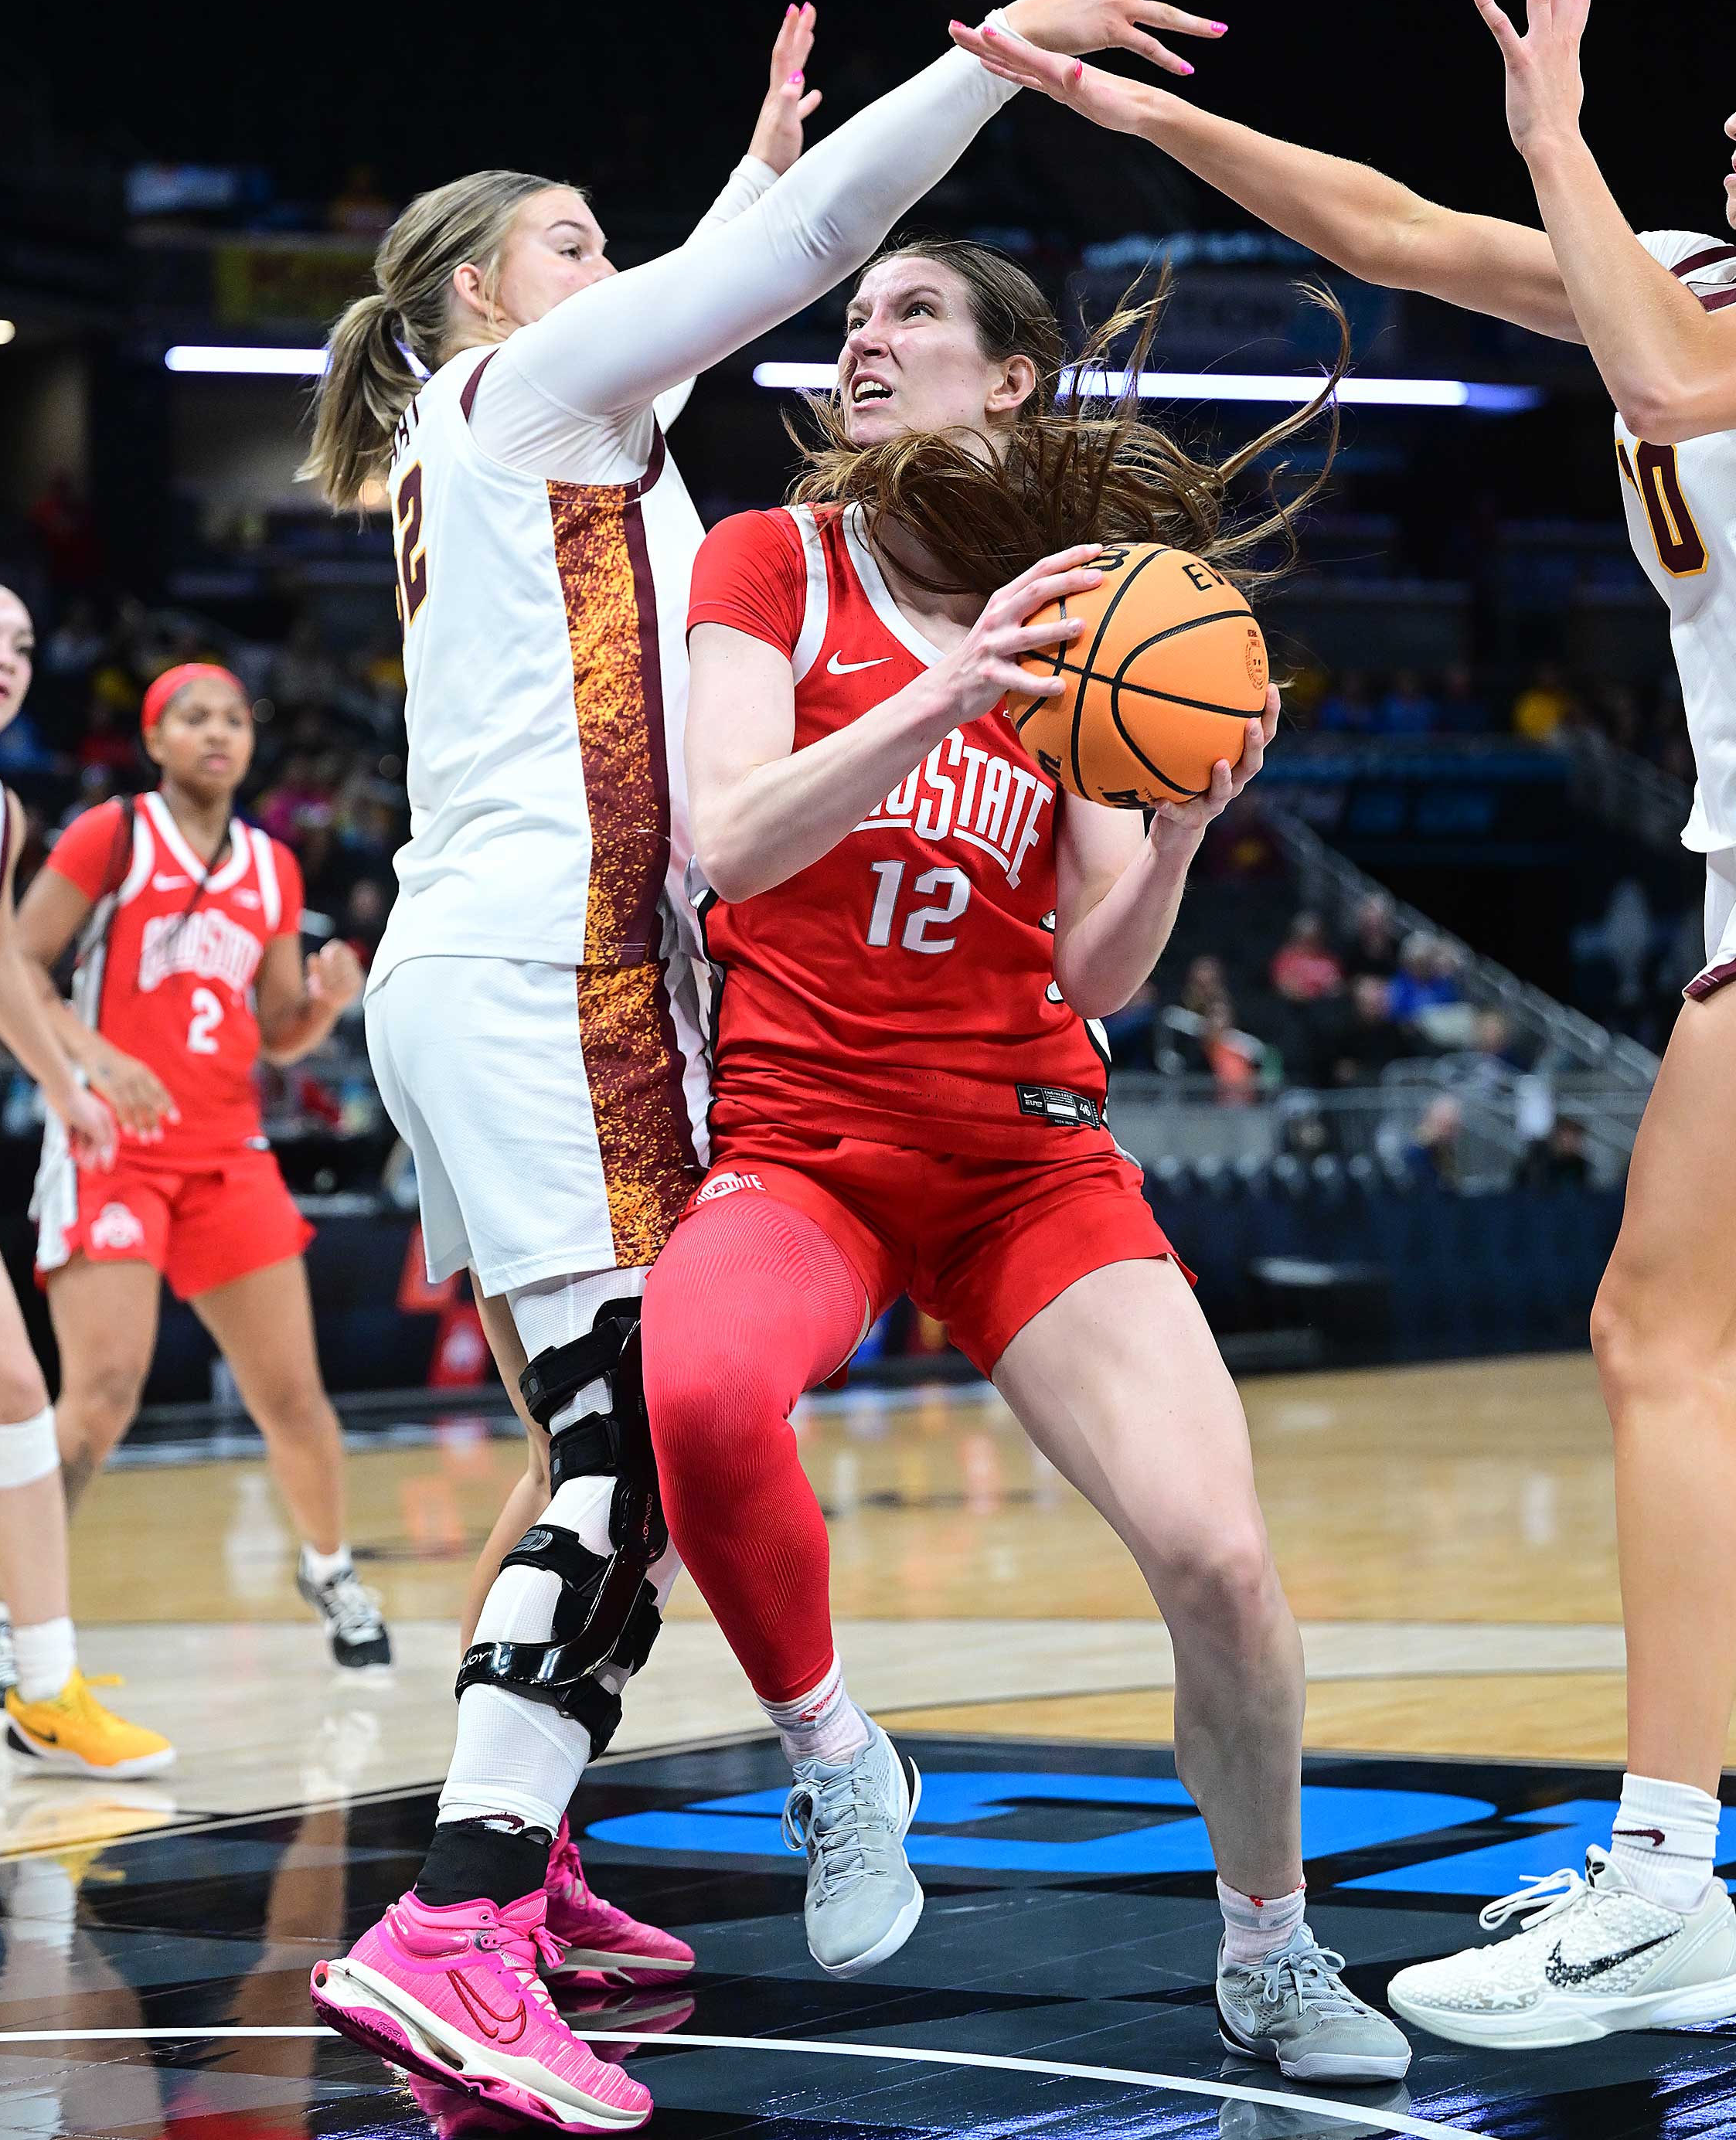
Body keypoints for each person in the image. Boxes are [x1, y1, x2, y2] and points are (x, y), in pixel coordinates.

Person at [301, 0, 1229, 2129]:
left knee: (590, 1449)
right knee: (632, 1449)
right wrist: (1003, 59)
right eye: (578, 247)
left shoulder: (566, 449)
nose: (622, 273)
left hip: (505, 970)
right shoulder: (520, 402)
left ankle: (526, 1867)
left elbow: (746, 259)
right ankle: (457, 1920)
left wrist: (747, 186)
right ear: (482, 299)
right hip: (555, 977)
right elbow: (796, 258)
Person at [951, 0, 1736, 2053]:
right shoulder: (1700, 272)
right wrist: (1141, 118)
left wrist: (1560, 137)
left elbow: (1670, 388)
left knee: (1653, 1334)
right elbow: (1396, 233)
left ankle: (1663, 1884)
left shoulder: (1732, 316)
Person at [641, 235, 1409, 2087]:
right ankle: (840, 1763)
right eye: (855, 315)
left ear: (1009, 379)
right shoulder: (772, 561)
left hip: (1025, 1155)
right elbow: (729, 840)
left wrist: (1179, 837)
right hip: (809, 1144)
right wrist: (946, 688)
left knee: (1220, 1559)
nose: (867, 336)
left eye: (913, 311)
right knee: (700, 1397)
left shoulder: (1087, 612)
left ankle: (1272, 1948)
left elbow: (1096, 969)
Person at [0, 662, 389, 1703]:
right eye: (193, 717)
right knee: (101, 1395)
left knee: (293, 1398)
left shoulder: (273, 866)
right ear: (154, 740)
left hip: (227, 1151)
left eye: (234, 718)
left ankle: (331, 1570)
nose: (217, 733)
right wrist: (93, 1061)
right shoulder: (110, 834)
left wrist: (328, 1005)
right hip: (111, 1145)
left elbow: (280, 1032)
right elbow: (15, 965)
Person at [0, 582, 169, 1774]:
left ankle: (42, 1690)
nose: (6, 657)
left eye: (24, 644)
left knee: (8, 1392)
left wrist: (62, 1080)